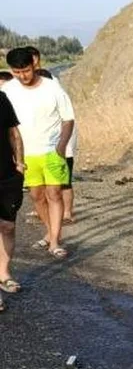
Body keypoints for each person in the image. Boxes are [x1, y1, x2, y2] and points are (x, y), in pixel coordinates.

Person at [1, 46, 74, 259]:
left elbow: (68, 119)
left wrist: (62, 146)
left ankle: (54, 241)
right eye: (17, 71)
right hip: (26, 154)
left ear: (34, 65)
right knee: (36, 196)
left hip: (52, 151)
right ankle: (50, 231)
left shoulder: (53, 88)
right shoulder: (8, 91)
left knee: (54, 194)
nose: (23, 76)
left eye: (26, 70)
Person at [28, 47, 77, 222]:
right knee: (42, 188)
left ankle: (67, 213)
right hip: (40, 150)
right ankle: (48, 214)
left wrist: (63, 147)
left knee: (63, 184)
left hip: (61, 148)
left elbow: (68, 123)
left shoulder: (56, 91)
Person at [0, 82, 23, 310]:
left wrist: (21, 163)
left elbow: (13, 133)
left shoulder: (1, 98)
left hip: (7, 175)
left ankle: (4, 274)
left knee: (7, 226)